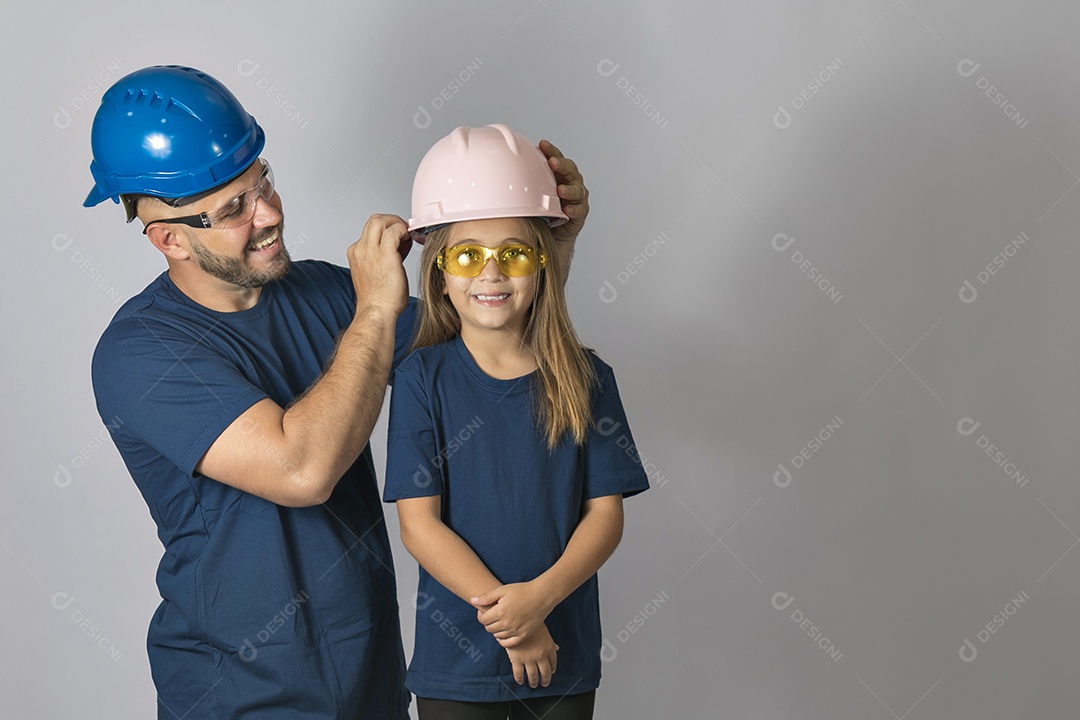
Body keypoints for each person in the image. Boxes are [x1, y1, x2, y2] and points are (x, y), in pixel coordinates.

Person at [85, 67, 591, 719]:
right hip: (240, 696)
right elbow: (302, 470)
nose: (268, 215)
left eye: (261, 183)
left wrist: (555, 246)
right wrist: (377, 309)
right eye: (234, 208)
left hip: (370, 682)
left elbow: (494, 357)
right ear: (170, 238)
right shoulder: (140, 352)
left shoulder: (326, 294)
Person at [382, 124, 647, 720]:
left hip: (563, 653)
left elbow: (605, 515)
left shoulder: (588, 379)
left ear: (544, 265)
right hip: (456, 663)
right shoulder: (423, 379)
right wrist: (513, 624)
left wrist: (539, 602)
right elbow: (419, 527)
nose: (491, 273)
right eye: (468, 255)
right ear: (441, 276)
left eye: (514, 253)